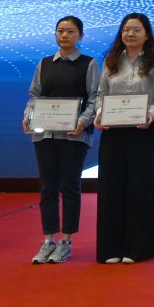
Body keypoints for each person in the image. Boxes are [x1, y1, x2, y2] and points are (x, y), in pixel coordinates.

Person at [93, 12, 154, 264]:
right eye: (126, 29)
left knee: (141, 189)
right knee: (111, 189)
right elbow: (100, 94)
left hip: (142, 132)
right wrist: (99, 113)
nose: (130, 34)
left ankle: (138, 248)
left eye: (136, 29)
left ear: (147, 35)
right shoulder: (110, 62)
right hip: (113, 133)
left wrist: (151, 113)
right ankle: (110, 248)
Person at [23, 15, 100, 264]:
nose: (64, 35)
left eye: (70, 31)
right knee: (47, 187)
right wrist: (28, 116)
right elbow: (35, 95)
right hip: (44, 133)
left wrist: (83, 122)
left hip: (74, 135)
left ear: (81, 36)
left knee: (69, 186)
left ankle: (66, 241)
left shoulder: (88, 64)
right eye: (60, 31)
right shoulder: (44, 63)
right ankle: (48, 241)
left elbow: (95, 98)